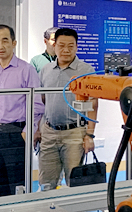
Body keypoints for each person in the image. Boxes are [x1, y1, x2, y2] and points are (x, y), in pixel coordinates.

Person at [0, 24, 44, 196]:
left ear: (14, 43)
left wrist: (27, 131)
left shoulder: (26, 69)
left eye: (5, 40)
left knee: (18, 185)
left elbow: (37, 104)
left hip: (16, 134)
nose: (0, 46)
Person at [36, 28, 98, 189]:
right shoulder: (46, 70)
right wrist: (37, 129)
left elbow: (93, 104)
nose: (66, 50)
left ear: (76, 47)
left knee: (75, 182)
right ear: (54, 46)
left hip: (75, 133)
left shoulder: (86, 71)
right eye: (61, 45)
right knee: (46, 183)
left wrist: (90, 135)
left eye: (71, 46)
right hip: (49, 133)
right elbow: (41, 102)